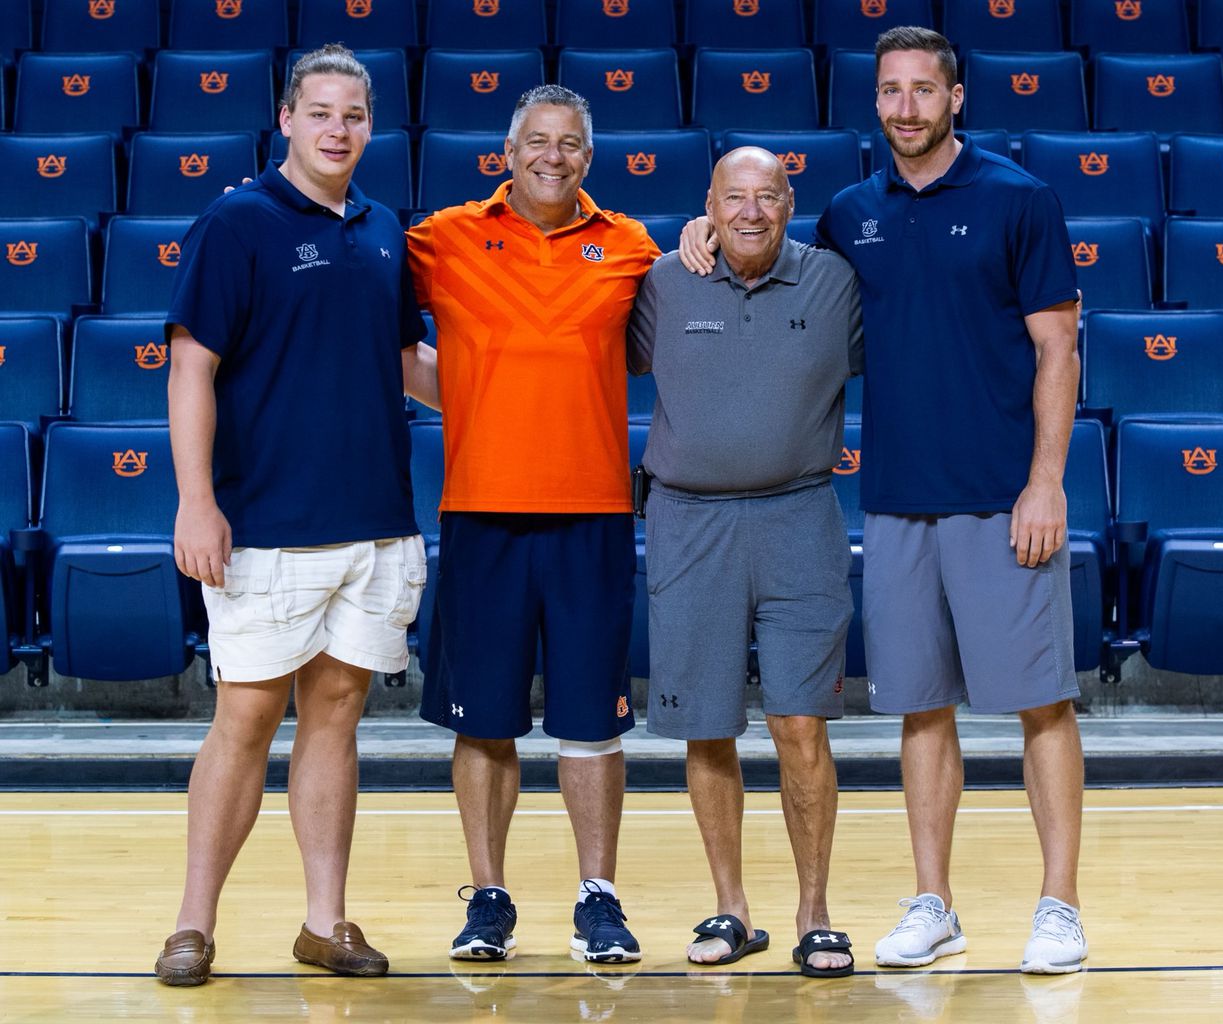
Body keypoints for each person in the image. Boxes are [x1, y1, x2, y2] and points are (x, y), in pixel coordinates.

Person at [680, 26, 1088, 975]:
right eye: (890, 92)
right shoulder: (849, 215)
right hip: (898, 503)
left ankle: (1059, 905)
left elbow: (1059, 350)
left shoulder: (1019, 199)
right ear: (876, 104)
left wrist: (1045, 482)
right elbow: (772, 269)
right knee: (920, 708)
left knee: (1042, 705)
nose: (905, 107)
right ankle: (933, 901)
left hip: (1001, 496)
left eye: (923, 91)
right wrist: (700, 230)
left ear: (955, 99)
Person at [155, 44, 439, 986]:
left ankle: (326, 922)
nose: (337, 129)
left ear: (371, 126)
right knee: (244, 719)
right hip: (266, 523)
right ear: (287, 119)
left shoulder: (383, 228)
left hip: (374, 523)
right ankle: (193, 922)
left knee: (336, 719)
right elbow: (191, 365)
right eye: (320, 112)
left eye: (353, 115)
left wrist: (539, 381)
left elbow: (409, 365)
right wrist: (197, 502)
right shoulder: (236, 222)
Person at [404, 85, 660, 964]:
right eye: (538, 141)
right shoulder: (442, 239)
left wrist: (701, 235)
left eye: (572, 144)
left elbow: (691, 332)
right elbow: (381, 331)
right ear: (505, 152)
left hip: (592, 514)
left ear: (590, 157)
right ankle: (488, 899)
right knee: (486, 723)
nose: (554, 156)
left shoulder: (629, 246)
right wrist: (470, 397)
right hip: (481, 511)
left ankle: (599, 898)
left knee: (593, 723)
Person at [628, 148, 862, 977]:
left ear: (792, 202)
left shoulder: (837, 284)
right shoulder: (663, 281)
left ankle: (816, 912)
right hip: (690, 523)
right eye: (735, 198)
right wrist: (682, 239)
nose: (752, 212)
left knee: (801, 722)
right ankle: (731, 908)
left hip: (801, 516)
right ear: (709, 207)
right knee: (708, 724)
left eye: (768, 196)